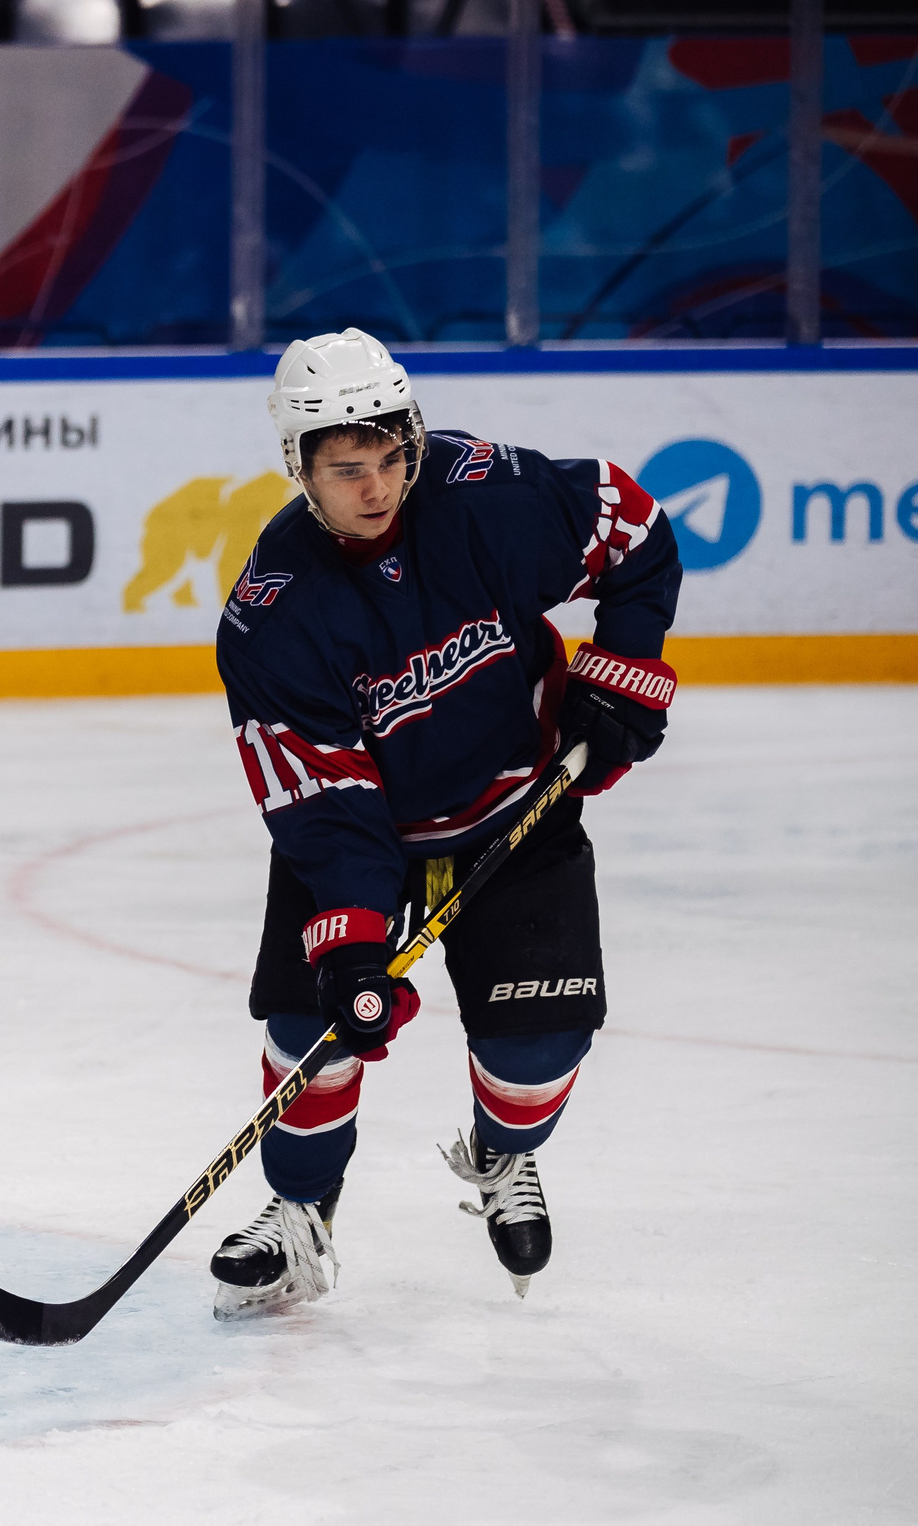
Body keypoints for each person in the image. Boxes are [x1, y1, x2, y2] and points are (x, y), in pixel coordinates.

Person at [209, 328, 681, 1319]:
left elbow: (632, 529)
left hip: (519, 804)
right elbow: (323, 796)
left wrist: (623, 670)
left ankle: (503, 1152)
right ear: (298, 467)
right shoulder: (273, 612)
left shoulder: (482, 498)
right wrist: (352, 945)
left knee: (539, 1050)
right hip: (365, 835)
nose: (377, 486)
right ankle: (300, 1210)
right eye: (346, 469)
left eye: (390, 457)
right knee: (312, 1032)